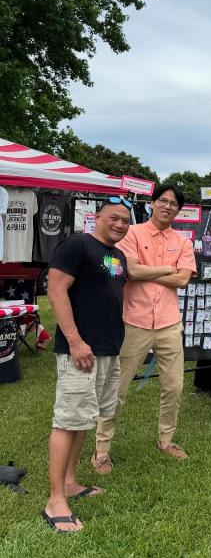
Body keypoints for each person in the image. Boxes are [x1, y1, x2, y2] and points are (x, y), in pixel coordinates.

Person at [93, 184, 196, 473]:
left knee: (174, 386)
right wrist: (166, 269)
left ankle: (166, 440)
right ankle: (102, 449)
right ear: (152, 203)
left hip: (169, 323)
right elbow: (131, 271)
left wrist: (147, 271)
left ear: (178, 210)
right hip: (133, 322)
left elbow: (183, 280)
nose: (167, 206)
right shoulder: (132, 233)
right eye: (163, 200)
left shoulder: (183, 242)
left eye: (173, 203)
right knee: (117, 388)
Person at [43, 197, 131, 533]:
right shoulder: (76, 245)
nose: (120, 224)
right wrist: (76, 341)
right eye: (114, 218)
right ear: (98, 217)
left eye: (126, 220)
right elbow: (56, 291)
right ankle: (55, 501)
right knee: (67, 420)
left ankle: (69, 483)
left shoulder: (117, 256)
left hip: (106, 351)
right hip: (80, 350)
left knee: (83, 419)